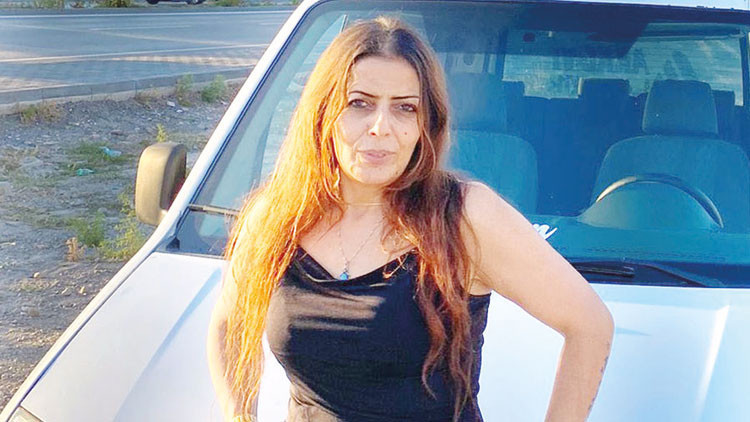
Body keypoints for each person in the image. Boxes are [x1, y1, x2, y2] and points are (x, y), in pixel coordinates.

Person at [207, 16, 614, 422]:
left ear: (425, 124)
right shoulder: (276, 217)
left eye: (405, 108)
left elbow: (590, 325)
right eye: (359, 103)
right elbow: (229, 324)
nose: (380, 128)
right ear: (324, 111)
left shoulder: (464, 217)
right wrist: (238, 416)